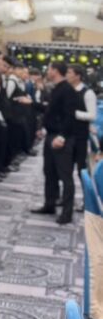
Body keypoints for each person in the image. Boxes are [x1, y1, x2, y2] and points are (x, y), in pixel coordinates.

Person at [31, 61, 78, 225]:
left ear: (55, 71)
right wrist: (43, 127)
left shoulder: (67, 90)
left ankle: (67, 212)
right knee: (49, 172)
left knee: (65, 176)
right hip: (51, 135)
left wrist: (62, 137)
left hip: (61, 137)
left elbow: (70, 116)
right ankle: (49, 204)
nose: (47, 71)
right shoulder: (57, 88)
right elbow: (52, 111)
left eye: (49, 68)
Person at [66, 64, 97, 210]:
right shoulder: (67, 90)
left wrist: (74, 113)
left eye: (69, 72)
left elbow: (92, 115)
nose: (67, 74)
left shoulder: (88, 93)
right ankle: (66, 199)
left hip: (80, 136)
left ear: (78, 76)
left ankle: (87, 201)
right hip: (67, 134)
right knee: (65, 169)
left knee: (81, 170)